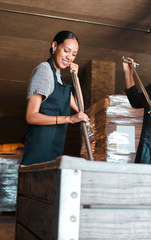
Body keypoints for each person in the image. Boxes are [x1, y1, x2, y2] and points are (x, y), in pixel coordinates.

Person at [20, 30, 89, 165]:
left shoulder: (59, 77)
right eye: (66, 51)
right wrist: (68, 119)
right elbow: (31, 116)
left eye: (74, 54)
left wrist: (76, 77)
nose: (69, 57)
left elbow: (80, 107)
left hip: (54, 147)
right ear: (54, 46)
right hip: (39, 149)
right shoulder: (44, 71)